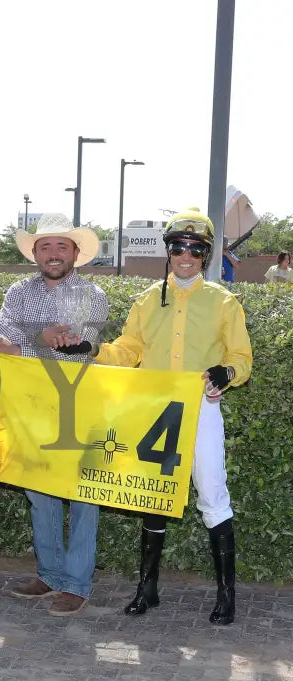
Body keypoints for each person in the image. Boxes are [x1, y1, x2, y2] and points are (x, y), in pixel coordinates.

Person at [88, 208, 252, 626]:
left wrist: (226, 373)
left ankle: (226, 595)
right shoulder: (146, 300)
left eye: (196, 248)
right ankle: (147, 588)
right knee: (153, 496)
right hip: (155, 411)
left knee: (212, 496)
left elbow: (240, 359)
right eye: (178, 246)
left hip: (200, 410)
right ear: (168, 249)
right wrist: (93, 351)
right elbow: (128, 351)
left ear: (207, 254)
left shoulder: (223, 302)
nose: (186, 255)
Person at [0, 212, 110, 617]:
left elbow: (76, 349)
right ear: (35, 253)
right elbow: (4, 340)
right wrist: (38, 338)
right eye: (45, 246)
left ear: (75, 252)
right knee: (38, 492)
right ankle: (51, 574)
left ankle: (76, 583)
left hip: (79, 405)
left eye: (61, 245)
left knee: (83, 496)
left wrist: (30, 341)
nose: (53, 253)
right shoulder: (18, 293)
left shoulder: (92, 295)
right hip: (32, 405)